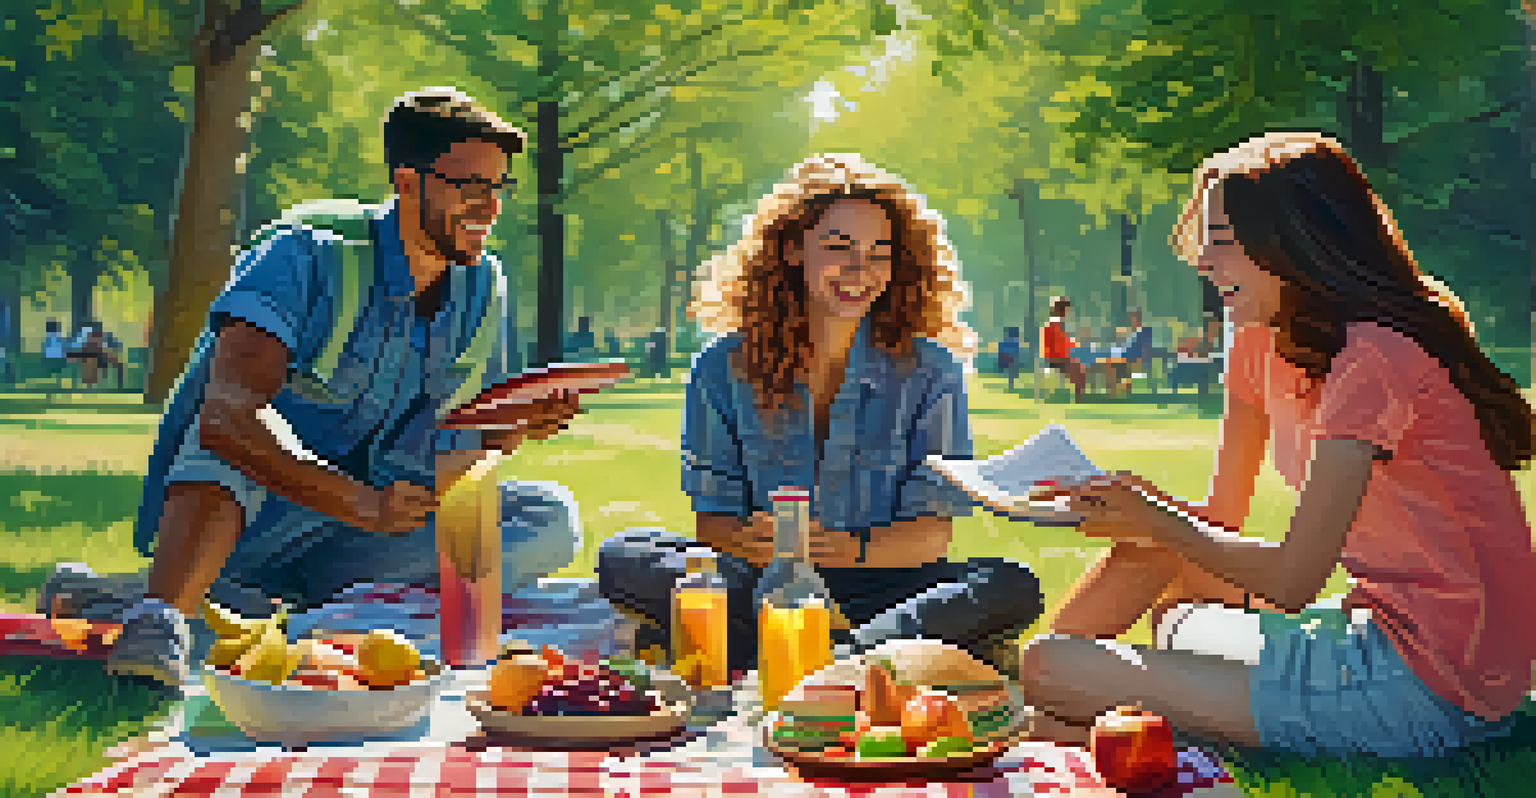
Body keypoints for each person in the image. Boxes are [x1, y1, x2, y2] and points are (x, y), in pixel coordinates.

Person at [38, 88, 585, 688]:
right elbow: (226, 416)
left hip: (363, 539)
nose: (490, 206)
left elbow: (459, 444)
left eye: (498, 186)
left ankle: (240, 606)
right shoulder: (305, 258)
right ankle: (164, 614)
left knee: (547, 516)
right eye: (469, 185)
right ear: (407, 182)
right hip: (253, 516)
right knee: (239, 426)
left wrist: (513, 428)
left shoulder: (484, 286)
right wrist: (360, 503)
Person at [1019, 132, 1535, 760]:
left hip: (1437, 685)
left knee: (1052, 664)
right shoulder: (1257, 337)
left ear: (1296, 243)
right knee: (1157, 579)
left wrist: (1159, 521)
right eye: (1204, 240)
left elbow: (1294, 580)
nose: (1204, 262)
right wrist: (1142, 510)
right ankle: (1072, 718)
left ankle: (1058, 715)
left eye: (1225, 243)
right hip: (1367, 632)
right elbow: (1217, 525)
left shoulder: (1372, 355)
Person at [597, 154, 1044, 678]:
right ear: (791, 250)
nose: (861, 271)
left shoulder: (930, 369)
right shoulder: (722, 367)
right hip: (766, 584)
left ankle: (826, 660)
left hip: (885, 583)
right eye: (839, 249)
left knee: (1009, 583)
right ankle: (873, 658)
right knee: (627, 554)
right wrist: (757, 542)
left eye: (879, 254)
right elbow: (712, 522)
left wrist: (845, 549)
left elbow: (931, 536)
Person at [1039, 296, 1086, 401]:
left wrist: (1073, 344)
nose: (1068, 313)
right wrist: (1073, 346)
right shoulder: (1056, 324)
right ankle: (1080, 399)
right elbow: (1059, 345)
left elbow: (1062, 342)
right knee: (1081, 372)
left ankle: (1080, 398)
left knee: (1082, 368)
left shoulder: (1054, 324)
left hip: (1057, 357)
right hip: (1057, 359)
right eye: (1066, 309)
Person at [997, 326, 1021, 391]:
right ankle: (1011, 385)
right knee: (1011, 372)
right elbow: (1016, 350)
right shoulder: (1014, 341)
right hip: (1011, 357)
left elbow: (1002, 348)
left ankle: (1011, 385)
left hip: (1009, 357)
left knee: (1011, 373)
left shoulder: (1008, 340)